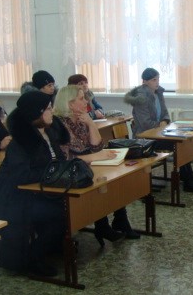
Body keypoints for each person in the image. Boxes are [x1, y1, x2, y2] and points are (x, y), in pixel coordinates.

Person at [0, 91, 67, 277]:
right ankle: (33, 258)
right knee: (59, 213)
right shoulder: (20, 141)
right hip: (12, 199)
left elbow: (57, 160)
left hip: (35, 192)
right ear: (37, 114)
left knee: (68, 206)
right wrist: (51, 172)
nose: (52, 112)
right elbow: (22, 175)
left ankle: (51, 248)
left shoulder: (48, 133)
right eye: (48, 109)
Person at [53, 85, 140, 244]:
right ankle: (103, 225)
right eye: (81, 99)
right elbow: (65, 158)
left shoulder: (81, 120)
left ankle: (120, 220)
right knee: (102, 182)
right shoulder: (59, 124)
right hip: (70, 172)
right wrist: (95, 156)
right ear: (70, 104)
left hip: (86, 165)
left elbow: (97, 147)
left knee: (114, 180)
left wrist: (91, 124)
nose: (86, 101)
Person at [124, 67, 193, 194]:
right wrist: (160, 125)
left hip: (159, 134)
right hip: (145, 140)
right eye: (153, 80)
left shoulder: (158, 93)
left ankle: (188, 179)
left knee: (183, 143)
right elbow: (145, 123)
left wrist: (164, 121)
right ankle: (188, 181)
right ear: (145, 81)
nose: (157, 82)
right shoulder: (140, 98)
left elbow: (165, 113)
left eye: (158, 79)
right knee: (179, 145)